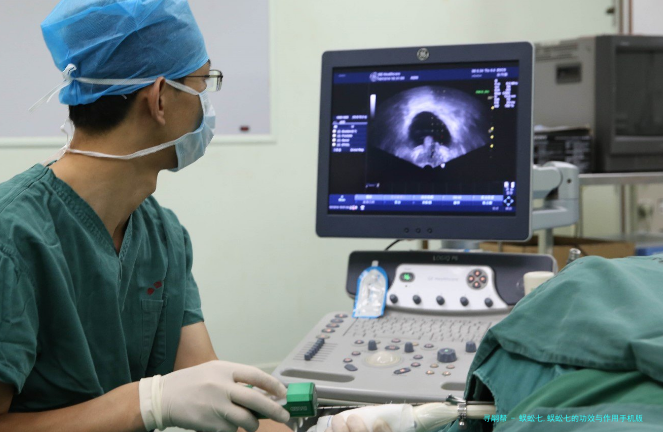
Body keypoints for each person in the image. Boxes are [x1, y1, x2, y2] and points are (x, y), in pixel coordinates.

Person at [0, 1, 290, 431]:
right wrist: (144, 403)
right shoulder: (12, 238)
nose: (207, 104)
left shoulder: (162, 235)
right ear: (159, 99)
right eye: (202, 82)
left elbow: (215, 393)